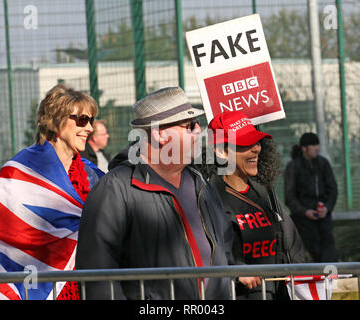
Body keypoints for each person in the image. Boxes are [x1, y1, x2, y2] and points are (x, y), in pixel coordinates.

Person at [75, 86, 234, 300]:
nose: (199, 131)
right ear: (160, 134)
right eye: (190, 125)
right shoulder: (115, 189)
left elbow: (225, 244)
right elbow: (97, 275)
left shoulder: (200, 182)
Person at [0, 84, 104, 300]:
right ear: (56, 121)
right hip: (31, 286)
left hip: (81, 287)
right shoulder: (20, 170)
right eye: (82, 120)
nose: (89, 128)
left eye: (90, 121)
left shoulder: (93, 175)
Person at [206, 111, 305, 300]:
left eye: (257, 142)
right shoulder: (208, 197)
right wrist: (234, 270)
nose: (256, 149)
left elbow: (292, 245)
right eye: (245, 144)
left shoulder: (265, 193)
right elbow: (203, 253)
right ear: (221, 151)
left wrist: (300, 278)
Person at [284, 132, 338, 262]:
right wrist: (304, 211)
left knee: (328, 245)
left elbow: (333, 189)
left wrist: (327, 208)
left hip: (322, 213)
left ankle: (330, 275)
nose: (316, 148)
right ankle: (320, 274)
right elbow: (289, 196)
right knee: (313, 246)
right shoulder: (294, 166)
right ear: (304, 148)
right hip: (303, 217)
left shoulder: (323, 163)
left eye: (317, 145)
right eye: (313, 145)